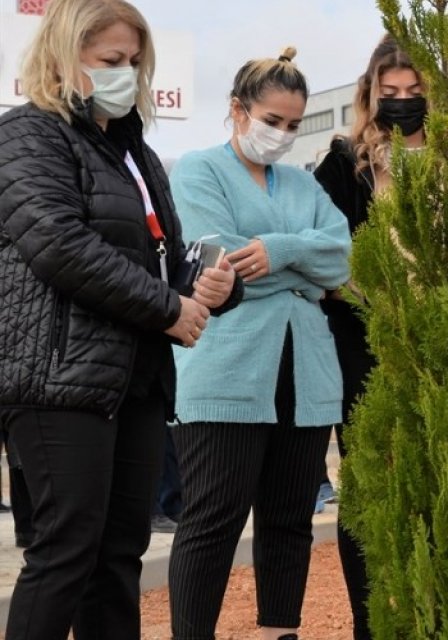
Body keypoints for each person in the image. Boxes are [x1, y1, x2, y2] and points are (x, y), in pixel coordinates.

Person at [0, 0, 239, 636]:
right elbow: (58, 245)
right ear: (61, 56)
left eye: (135, 62)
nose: (127, 74)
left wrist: (210, 284)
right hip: (58, 380)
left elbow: (163, 257)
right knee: (64, 552)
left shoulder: (137, 156)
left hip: (135, 380)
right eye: (110, 60)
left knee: (118, 559)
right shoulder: (26, 136)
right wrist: (169, 308)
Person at [312, 34, 448, 640]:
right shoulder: (344, 163)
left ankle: (446, 615)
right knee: (370, 491)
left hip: (444, 349)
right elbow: (324, 255)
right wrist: (374, 302)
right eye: (390, 92)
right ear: (370, 94)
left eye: (415, 92)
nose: (402, 103)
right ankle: (372, 624)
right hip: (366, 348)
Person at [166, 47, 352, 640]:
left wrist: (283, 252)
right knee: (212, 520)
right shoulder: (197, 170)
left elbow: (345, 256)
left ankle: (280, 632)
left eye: (294, 125)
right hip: (226, 369)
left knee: (291, 518)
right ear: (238, 110)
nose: (283, 134)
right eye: (272, 120)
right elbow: (217, 255)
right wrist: (305, 268)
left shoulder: (302, 182)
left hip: (307, 372)